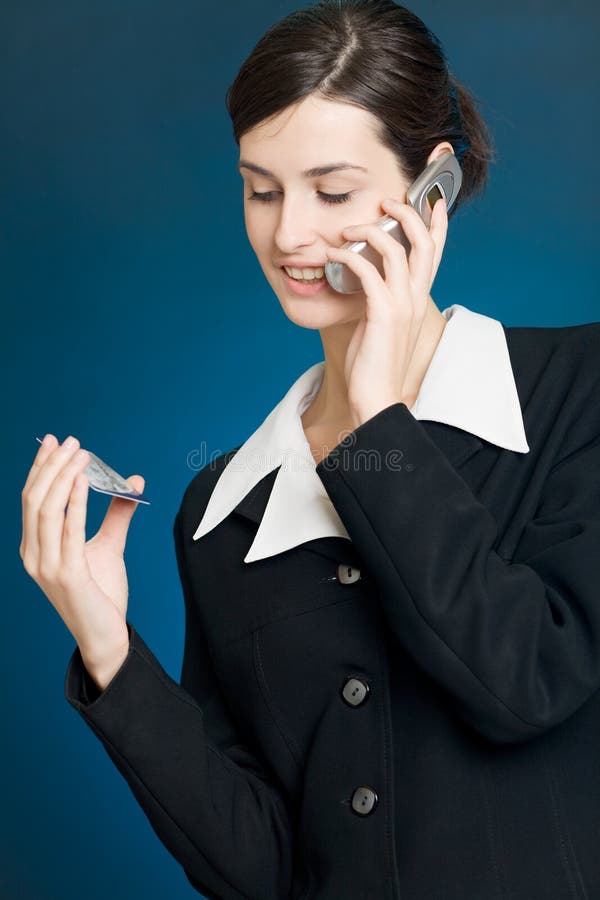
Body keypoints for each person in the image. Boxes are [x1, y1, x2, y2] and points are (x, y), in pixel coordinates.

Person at [19, 1, 600, 898]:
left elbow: (527, 684)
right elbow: (263, 867)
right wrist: (109, 650)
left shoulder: (578, 393)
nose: (288, 234)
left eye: (331, 193)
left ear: (433, 189)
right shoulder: (222, 511)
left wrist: (377, 422)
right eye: (262, 190)